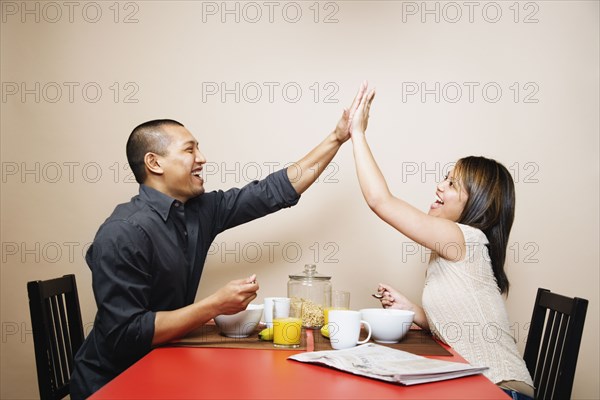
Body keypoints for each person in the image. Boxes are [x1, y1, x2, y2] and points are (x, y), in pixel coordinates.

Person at [70, 85, 367, 399]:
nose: (202, 158)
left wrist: (337, 137)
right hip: (113, 383)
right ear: (155, 163)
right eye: (189, 150)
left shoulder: (197, 211)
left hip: (161, 365)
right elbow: (126, 335)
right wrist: (215, 305)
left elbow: (273, 192)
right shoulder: (122, 233)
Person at [348, 84, 535, 399]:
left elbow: (380, 201)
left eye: (451, 183)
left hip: (501, 392)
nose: (438, 186)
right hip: (485, 389)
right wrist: (415, 312)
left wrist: (358, 134)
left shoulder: (464, 238)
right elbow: (458, 329)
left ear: (478, 203)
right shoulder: (457, 247)